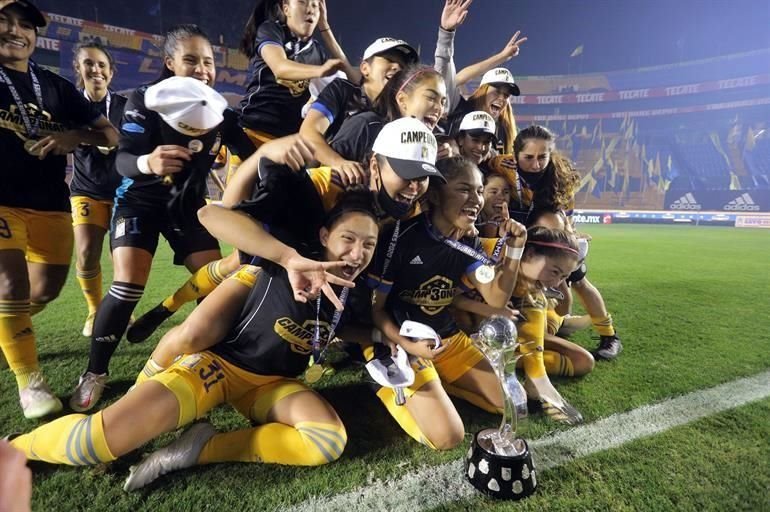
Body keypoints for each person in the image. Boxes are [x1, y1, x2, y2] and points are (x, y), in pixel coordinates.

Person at [9, 191, 379, 493]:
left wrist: (385, 338)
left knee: (325, 442)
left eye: (369, 244)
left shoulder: (356, 292)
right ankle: (16, 447)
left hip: (274, 384)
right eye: (348, 238)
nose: (357, 253)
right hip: (218, 368)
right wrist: (285, 257)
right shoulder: (281, 258)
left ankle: (196, 449)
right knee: (95, 443)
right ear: (324, 236)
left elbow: (338, 327)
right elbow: (210, 215)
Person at [133, 117, 441, 380]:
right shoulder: (329, 182)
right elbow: (220, 214)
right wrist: (262, 155)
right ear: (374, 164)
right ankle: (163, 324)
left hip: (328, 291)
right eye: (406, 173)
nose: (414, 186)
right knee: (199, 327)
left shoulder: (412, 210)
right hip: (276, 271)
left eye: (422, 176)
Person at [68, 24, 256, 413]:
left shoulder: (220, 110)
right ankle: (95, 372)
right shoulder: (145, 99)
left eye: (208, 61)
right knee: (127, 287)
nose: (202, 69)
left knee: (218, 289)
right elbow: (122, 159)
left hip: (187, 207)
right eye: (190, 60)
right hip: (138, 201)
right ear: (170, 63)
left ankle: (224, 360)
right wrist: (147, 161)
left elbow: (252, 153)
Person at [0, 0, 119, 419]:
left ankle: (6, 333)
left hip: (49, 204)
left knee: (45, 290)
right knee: (9, 285)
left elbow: (109, 134)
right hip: (2, 201)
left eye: (25, 25)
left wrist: (75, 136)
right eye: (4, 21)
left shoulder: (54, 86)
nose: (16, 31)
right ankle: (30, 383)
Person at [367, 156, 528, 449]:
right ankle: (388, 385)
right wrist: (409, 345)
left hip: (448, 339)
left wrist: (515, 250)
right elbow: (376, 310)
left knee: (511, 405)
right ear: (437, 193)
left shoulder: (469, 241)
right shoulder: (398, 237)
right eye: (464, 189)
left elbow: (495, 297)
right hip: (400, 343)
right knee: (447, 437)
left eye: (479, 191)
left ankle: (439, 382)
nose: (476, 199)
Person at [492, 125, 622, 358]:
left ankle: (609, 335)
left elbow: (566, 216)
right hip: (521, 237)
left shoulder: (559, 178)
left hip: (553, 237)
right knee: (524, 286)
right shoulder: (502, 164)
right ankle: (550, 324)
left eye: (542, 157)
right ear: (515, 155)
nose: (536, 164)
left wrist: (569, 238)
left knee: (578, 279)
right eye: (528, 157)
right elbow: (485, 163)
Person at [453, 224, 586, 424]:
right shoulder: (488, 255)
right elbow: (446, 299)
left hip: (500, 334)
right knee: (511, 402)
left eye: (563, 277)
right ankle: (529, 373)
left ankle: (532, 373)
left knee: (582, 361)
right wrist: (490, 309)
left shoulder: (532, 282)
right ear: (530, 254)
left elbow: (562, 304)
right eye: (554, 271)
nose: (555, 283)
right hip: (455, 334)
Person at [68, 41, 128, 337]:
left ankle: (116, 312)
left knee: (122, 255)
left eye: (102, 65)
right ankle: (94, 310)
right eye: (89, 64)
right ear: (78, 68)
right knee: (88, 251)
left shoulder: (125, 106)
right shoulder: (68, 106)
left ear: (111, 73)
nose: (96, 70)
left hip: (122, 193)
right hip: (86, 190)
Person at [299, 37, 418, 182]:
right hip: (324, 176)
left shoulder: (400, 114)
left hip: (368, 187)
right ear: (365, 68)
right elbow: (309, 131)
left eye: (403, 65)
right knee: (368, 122)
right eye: (389, 59)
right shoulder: (342, 90)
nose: (397, 67)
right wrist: (338, 163)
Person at [238, 0, 355, 145]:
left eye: (315, 5)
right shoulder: (272, 30)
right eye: (302, 2)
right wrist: (320, 71)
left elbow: (353, 79)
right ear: (286, 9)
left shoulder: (317, 52)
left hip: (288, 142)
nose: (310, 10)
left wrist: (325, 27)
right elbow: (280, 68)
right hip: (253, 129)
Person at [329, 64, 448, 168]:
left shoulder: (430, 143)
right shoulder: (364, 125)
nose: (439, 108)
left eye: (443, 102)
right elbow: (325, 175)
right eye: (431, 98)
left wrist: (442, 161)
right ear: (402, 99)